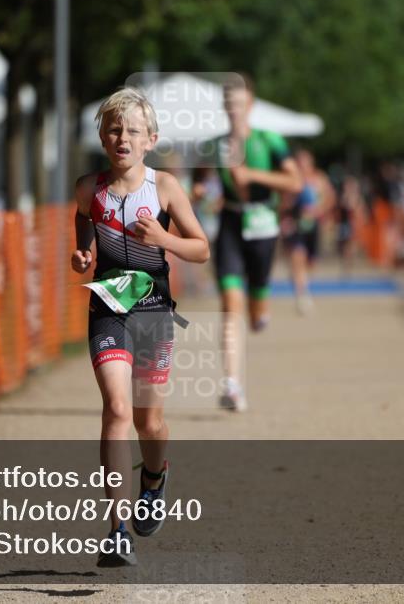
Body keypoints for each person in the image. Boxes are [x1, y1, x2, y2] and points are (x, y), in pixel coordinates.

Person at [72, 87, 210, 567]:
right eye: (114, 129)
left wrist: (163, 237)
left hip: (153, 308)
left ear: (150, 139)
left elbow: (200, 248)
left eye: (132, 130)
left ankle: (155, 475)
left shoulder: (165, 187)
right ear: (102, 137)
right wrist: (84, 251)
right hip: (107, 306)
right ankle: (116, 530)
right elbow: (82, 220)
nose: (122, 138)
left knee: (147, 420)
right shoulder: (89, 188)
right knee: (116, 408)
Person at [193, 74, 302, 411]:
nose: (234, 110)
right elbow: (199, 180)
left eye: (240, 104)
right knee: (230, 306)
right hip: (230, 223)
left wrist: (253, 175)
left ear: (250, 105)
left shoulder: (270, 141)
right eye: (229, 104)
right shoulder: (215, 145)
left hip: (263, 224)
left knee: (255, 315)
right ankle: (232, 385)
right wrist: (198, 192)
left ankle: (261, 310)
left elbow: (294, 182)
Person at [280, 148, 336, 314]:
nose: (303, 166)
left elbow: (330, 198)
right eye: (300, 162)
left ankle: (303, 285)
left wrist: (320, 210)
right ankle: (302, 295)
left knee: (311, 262)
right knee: (298, 257)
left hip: (314, 226)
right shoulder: (290, 180)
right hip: (296, 226)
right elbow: (282, 202)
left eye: (305, 162)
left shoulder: (320, 179)